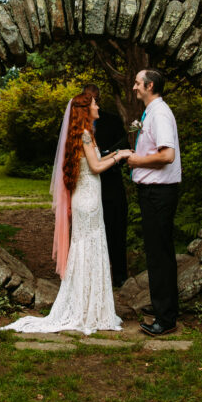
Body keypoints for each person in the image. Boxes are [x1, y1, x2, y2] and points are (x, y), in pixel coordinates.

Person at [0, 89, 129, 335]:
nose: (98, 108)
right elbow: (96, 166)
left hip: (84, 200)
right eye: (94, 105)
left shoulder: (78, 135)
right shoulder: (86, 136)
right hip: (90, 202)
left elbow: (92, 163)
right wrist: (120, 155)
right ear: (85, 110)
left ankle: (87, 305)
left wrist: (114, 154)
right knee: (89, 249)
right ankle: (88, 309)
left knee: (84, 249)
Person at [120, 69, 182, 336]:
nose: (134, 87)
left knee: (160, 256)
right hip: (153, 192)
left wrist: (136, 161)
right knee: (157, 254)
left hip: (160, 193)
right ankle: (162, 309)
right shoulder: (152, 112)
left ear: (150, 85)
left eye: (137, 83)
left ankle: (165, 319)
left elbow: (167, 155)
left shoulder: (160, 113)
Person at [83, 84, 129, 286]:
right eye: (89, 99)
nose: (94, 103)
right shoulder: (75, 127)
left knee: (116, 228)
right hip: (87, 187)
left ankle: (119, 275)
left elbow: (125, 145)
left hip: (111, 184)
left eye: (95, 99)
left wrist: (115, 154)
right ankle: (91, 277)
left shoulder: (111, 120)